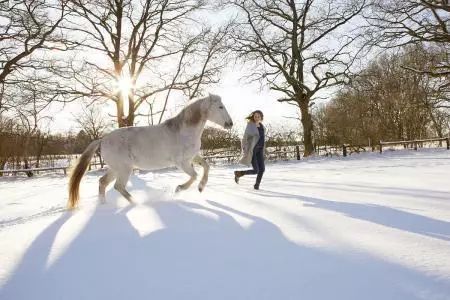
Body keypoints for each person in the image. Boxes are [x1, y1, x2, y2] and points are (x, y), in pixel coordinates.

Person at [234, 110, 265, 190]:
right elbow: (244, 138)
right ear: (253, 117)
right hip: (252, 150)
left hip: (260, 150)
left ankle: (256, 185)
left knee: (262, 169)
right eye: (255, 116)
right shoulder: (250, 125)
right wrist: (244, 148)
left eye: (258, 116)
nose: (257, 118)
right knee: (256, 170)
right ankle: (239, 173)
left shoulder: (262, 126)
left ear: (261, 117)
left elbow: (262, 138)